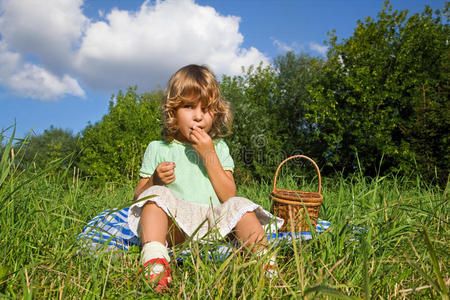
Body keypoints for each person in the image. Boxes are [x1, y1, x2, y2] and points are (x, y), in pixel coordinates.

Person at [128, 64, 283, 293]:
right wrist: (155, 180)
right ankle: (155, 263)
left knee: (242, 206)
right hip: (175, 227)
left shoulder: (218, 147)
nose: (199, 116)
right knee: (155, 197)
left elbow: (228, 195)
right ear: (173, 112)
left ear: (216, 114)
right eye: (189, 106)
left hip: (214, 225)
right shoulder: (158, 148)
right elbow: (138, 197)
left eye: (206, 109)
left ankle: (267, 267)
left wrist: (208, 154)